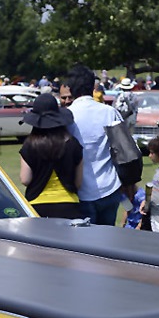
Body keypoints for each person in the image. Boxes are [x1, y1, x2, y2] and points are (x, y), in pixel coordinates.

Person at [65, 64, 124, 225]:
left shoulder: (67, 116)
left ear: (70, 88)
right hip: (109, 187)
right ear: (93, 86)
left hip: (79, 191)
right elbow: (125, 152)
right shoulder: (109, 112)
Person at [19, 93, 83, 219]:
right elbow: (78, 182)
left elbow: (25, 179)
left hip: (37, 205)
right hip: (69, 205)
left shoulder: (29, 144)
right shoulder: (73, 144)